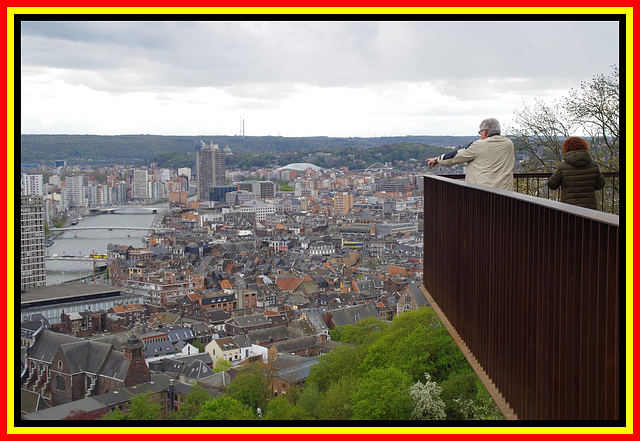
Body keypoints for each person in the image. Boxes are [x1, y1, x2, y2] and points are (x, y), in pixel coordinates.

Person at [427, 118, 515, 191]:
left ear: (485, 132)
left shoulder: (479, 145)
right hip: (505, 193)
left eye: (480, 132)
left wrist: (437, 159)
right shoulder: (508, 143)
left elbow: (455, 157)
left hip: (484, 192)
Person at [546, 137, 605, 210]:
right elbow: (600, 185)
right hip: (589, 207)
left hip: (569, 207)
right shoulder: (594, 165)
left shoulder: (563, 167)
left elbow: (552, 185)